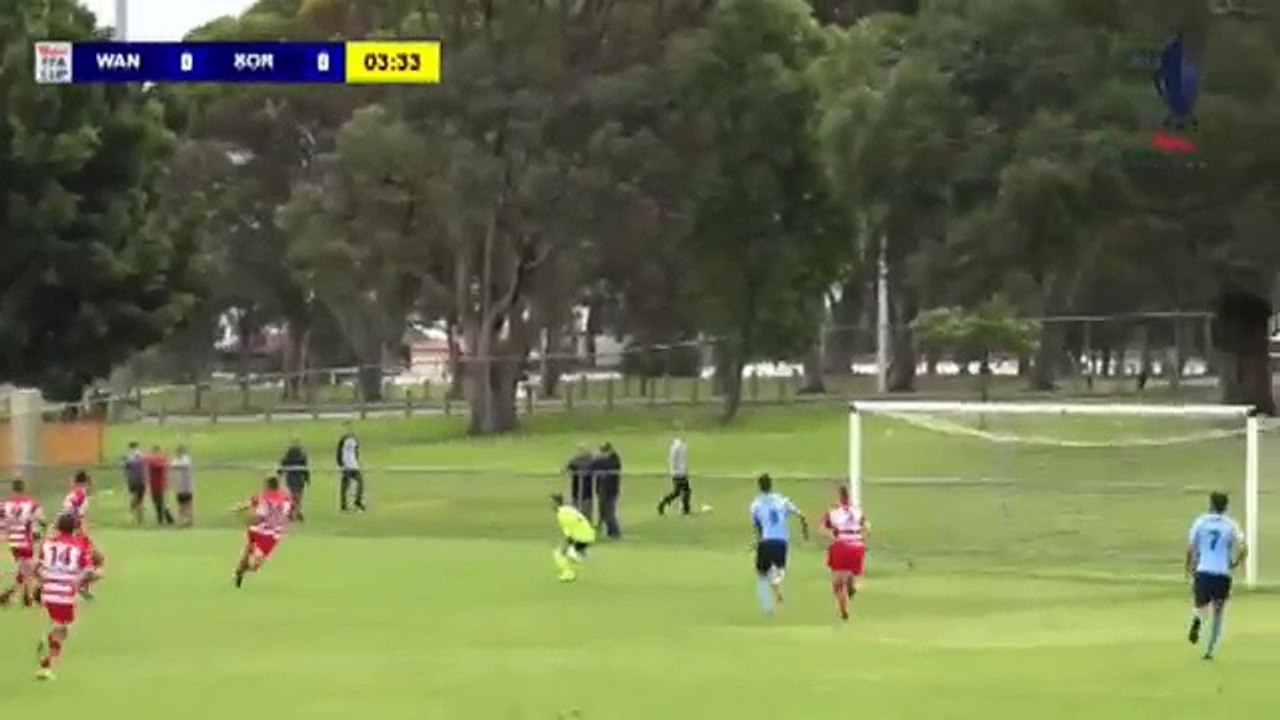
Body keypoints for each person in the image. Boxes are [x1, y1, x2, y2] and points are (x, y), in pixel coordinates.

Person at [35, 513, 105, 680]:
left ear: (58, 526)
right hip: (65, 593)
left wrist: (43, 579)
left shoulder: (47, 544)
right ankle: (47, 657)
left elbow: (36, 566)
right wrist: (90, 577)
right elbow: (88, 570)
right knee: (63, 627)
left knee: (60, 625)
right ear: (75, 528)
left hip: (48, 591)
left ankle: (49, 663)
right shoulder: (79, 546)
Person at [1186, 491, 1247, 660]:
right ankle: (1209, 651)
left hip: (1203, 571)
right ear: (1226, 507)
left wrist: (1189, 568)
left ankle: (1198, 620)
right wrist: (1235, 563)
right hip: (1222, 573)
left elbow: (1191, 548)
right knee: (1218, 613)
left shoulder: (1200, 522)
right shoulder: (1231, 524)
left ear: (1210, 504)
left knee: (1201, 606)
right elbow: (1243, 547)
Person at [749, 473, 808, 614]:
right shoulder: (782, 501)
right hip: (782, 542)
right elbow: (801, 515)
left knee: (762, 575)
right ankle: (776, 582)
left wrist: (756, 542)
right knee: (779, 570)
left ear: (759, 486)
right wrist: (805, 532)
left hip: (766, 541)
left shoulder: (756, 504)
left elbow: (757, 526)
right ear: (771, 485)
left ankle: (767, 606)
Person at [232, 475, 293, 588]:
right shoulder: (276, 497)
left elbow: (257, 511)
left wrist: (241, 512)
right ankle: (241, 568)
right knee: (253, 563)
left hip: (268, 533)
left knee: (252, 561)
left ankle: (239, 571)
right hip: (262, 532)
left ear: (269, 486)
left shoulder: (278, 498)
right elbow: (253, 506)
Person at [822, 486, 869, 621]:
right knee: (849, 572)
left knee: (837, 584)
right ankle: (851, 581)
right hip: (857, 546)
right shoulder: (857, 511)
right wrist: (861, 539)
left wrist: (832, 535)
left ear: (839, 497)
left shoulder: (833, 512)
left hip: (842, 546)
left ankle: (843, 612)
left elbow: (822, 529)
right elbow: (868, 528)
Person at [1, 479, 45, 608]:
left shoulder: (5, 504)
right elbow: (42, 520)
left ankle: (14, 595)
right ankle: (27, 597)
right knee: (32, 569)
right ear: (24, 488)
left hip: (13, 543)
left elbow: (2, 522)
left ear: (13, 490)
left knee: (24, 569)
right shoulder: (31, 503)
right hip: (25, 541)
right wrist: (39, 533)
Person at [550, 493, 596, 582]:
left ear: (556, 503)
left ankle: (568, 573)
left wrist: (566, 546)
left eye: (552, 502)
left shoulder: (561, 514)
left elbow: (569, 534)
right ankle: (580, 554)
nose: (550, 505)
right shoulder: (568, 509)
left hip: (582, 537)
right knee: (569, 552)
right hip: (588, 535)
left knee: (559, 553)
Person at [593, 442, 622, 539]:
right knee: (603, 511)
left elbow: (609, 466)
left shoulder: (614, 459)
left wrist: (598, 459)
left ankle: (615, 532)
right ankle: (606, 530)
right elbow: (594, 465)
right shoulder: (603, 460)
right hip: (602, 489)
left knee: (609, 512)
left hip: (610, 490)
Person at [658, 435, 691, 516]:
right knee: (682, 491)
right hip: (680, 473)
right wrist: (683, 471)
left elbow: (672, 460)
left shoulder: (674, 448)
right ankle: (684, 509)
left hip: (677, 472)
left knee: (680, 491)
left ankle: (684, 508)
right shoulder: (680, 448)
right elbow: (680, 461)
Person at [279, 437, 311, 522]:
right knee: (298, 496)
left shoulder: (288, 454)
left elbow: (283, 464)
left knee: (293, 496)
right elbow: (305, 468)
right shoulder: (302, 455)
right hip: (299, 478)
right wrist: (307, 479)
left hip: (291, 477)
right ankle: (296, 511)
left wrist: (280, 473)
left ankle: (293, 512)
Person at [336, 422, 365, 512]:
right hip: (346, 466)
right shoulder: (343, 440)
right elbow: (338, 453)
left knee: (360, 483)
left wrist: (356, 462)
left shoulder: (355, 440)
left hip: (354, 465)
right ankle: (343, 505)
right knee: (345, 485)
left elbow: (356, 452)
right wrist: (341, 465)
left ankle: (357, 501)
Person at [145, 445, 175, 525]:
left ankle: (165, 518)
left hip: (161, 485)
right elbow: (155, 463)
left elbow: (163, 465)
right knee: (157, 502)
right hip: (154, 485)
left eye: (157, 452)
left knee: (161, 502)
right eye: (155, 452)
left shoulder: (159, 460)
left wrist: (165, 460)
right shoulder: (154, 460)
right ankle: (164, 518)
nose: (156, 454)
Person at [565, 444, 595, 522]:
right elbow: (567, 468)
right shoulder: (575, 460)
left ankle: (587, 524)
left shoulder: (592, 460)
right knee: (577, 508)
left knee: (586, 509)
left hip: (587, 489)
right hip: (577, 488)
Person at [122, 442, 146, 525]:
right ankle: (134, 516)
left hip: (139, 480)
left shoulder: (138, 456)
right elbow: (126, 468)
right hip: (134, 481)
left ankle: (139, 518)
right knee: (135, 498)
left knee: (139, 500)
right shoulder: (130, 457)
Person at [171, 445, 195, 527]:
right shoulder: (175, 460)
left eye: (179, 451)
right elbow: (172, 466)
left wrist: (175, 467)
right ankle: (182, 520)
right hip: (179, 487)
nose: (178, 453)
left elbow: (181, 466)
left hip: (187, 486)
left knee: (188, 504)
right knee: (181, 505)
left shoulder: (186, 459)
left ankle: (189, 520)